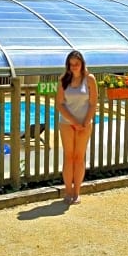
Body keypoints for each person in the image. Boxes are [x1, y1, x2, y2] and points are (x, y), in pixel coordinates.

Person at [55, 50, 98, 204]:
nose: (73, 67)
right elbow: (59, 103)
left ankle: (77, 192)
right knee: (69, 156)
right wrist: (74, 121)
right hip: (67, 123)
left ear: (82, 64)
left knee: (79, 157)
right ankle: (68, 191)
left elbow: (93, 103)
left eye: (76, 64)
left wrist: (85, 122)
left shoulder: (90, 79)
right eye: (71, 64)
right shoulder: (63, 80)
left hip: (85, 123)